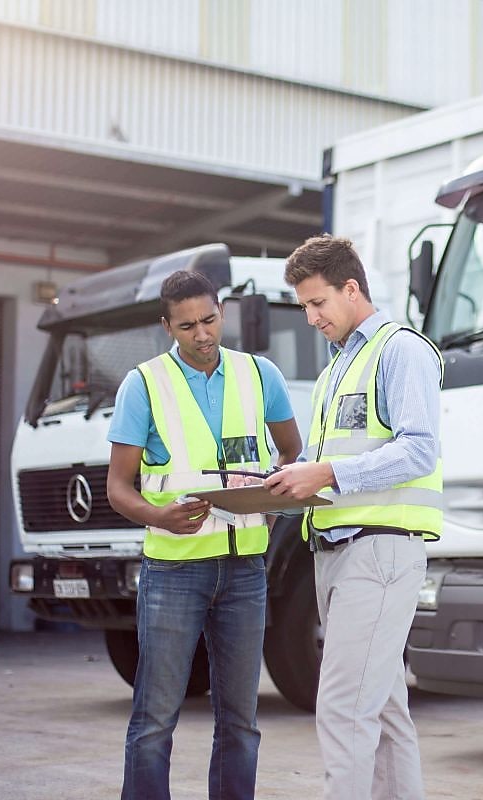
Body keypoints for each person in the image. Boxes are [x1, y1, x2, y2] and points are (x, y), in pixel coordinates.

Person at [106, 269, 302, 800]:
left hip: (245, 571)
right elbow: (118, 489)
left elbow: (292, 452)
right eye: (187, 325)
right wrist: (159, 516)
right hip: (173, 570)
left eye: (210, 320)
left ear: (222, 312)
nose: (202, 334)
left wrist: (270, 502)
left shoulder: (261, 376)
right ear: (167, 325)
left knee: (241, 721)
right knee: (155, 718)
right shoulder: (143, 384)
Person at [263, 234, 441, 800]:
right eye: (304, 307)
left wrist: (327, 474)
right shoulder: (337, 369)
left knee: (342, 709)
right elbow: (331, 460)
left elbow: (419, 449)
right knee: (383, 713)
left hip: (380, 551)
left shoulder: (400, 350)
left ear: (351, 288)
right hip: (337, 553)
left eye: (318, 304)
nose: (311, 318)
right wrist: (288, 478)